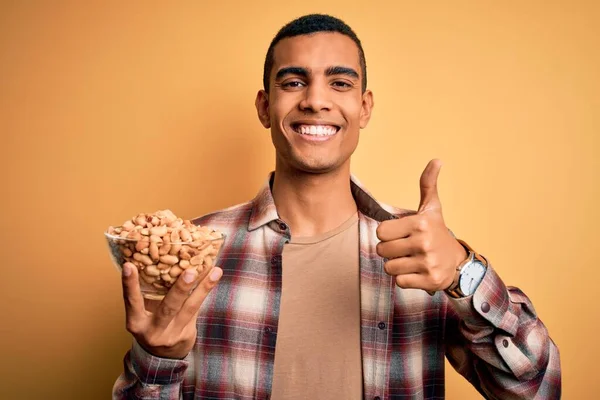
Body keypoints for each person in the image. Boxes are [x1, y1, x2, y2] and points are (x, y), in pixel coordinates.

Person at [113, 14, 561, 400]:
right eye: (293, 82)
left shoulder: (422, 253)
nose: (315, 99)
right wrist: (158, 360)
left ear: (364, 107)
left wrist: (465, 274)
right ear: (265, 107)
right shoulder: (197, 251)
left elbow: (537, 390)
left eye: (340, 82)